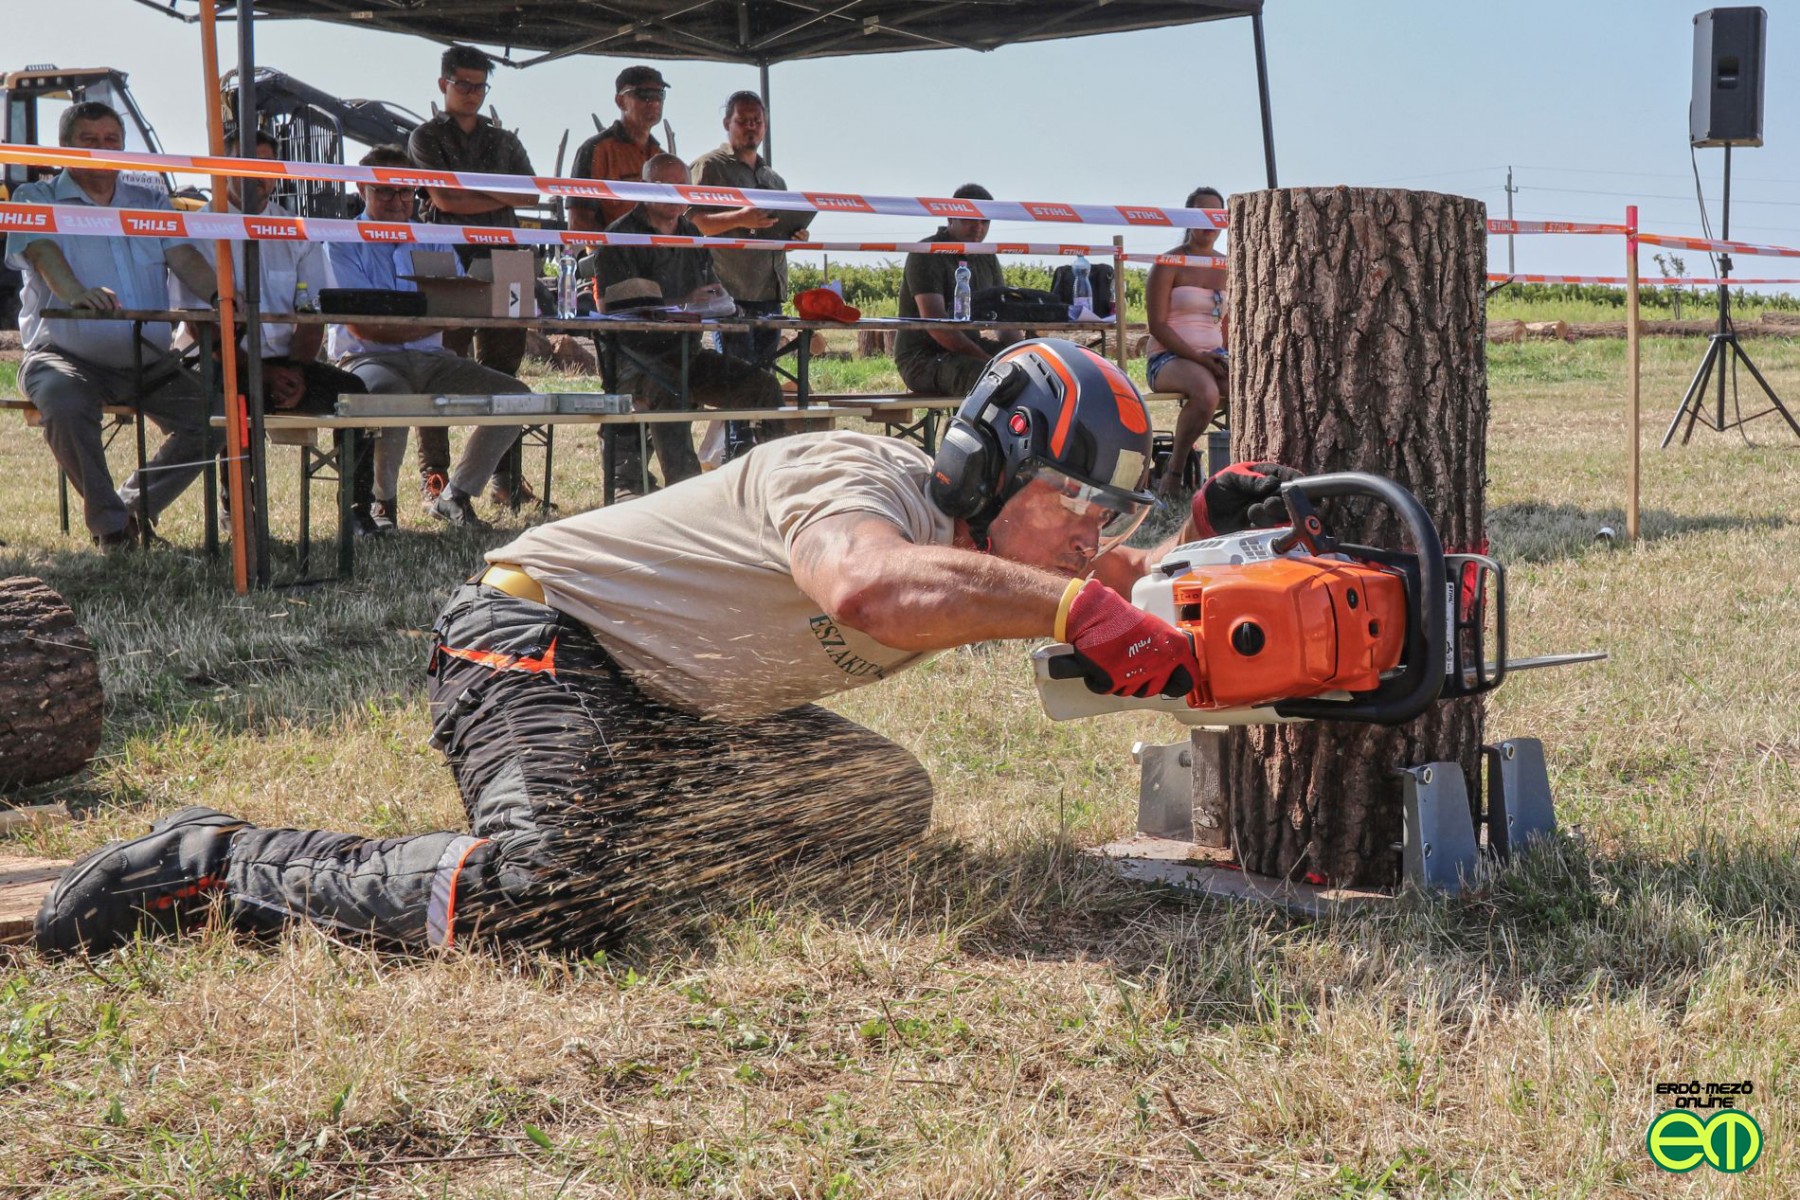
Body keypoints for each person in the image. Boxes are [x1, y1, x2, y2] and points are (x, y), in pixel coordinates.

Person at [34, 338, 1299, 959]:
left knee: (879, 799)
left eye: (1109, 513)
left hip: (675, 702)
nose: (1092, 538)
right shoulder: (854, 476)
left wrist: (1196, 544)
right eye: (1079, 503)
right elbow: (867, 590)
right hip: (531, 639)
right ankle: (209, 864)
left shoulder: (1019, 547)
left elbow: (1114, 590)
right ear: (994, 461)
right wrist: (1079, 608)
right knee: (550, 900)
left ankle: (605, 832)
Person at [4, 101, 221, 547]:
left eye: (112, 141)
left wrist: (224, 297)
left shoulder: (152, 202)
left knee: (217, 417)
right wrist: (74, 292)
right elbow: (43, 252)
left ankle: (131, 508)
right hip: (64, 357)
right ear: (66, 149)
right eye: (90, 141)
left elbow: (184, 258)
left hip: (151, 363)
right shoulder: (35, 199)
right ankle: (113, 529)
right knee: (63, 402)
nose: (103, 150)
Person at [174, 128, 381, 535]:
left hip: (290, 362)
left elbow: (312, 312)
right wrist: (262, 374)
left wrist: (298, 372)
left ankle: (355, 509)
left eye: (267, 167)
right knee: (233, 400)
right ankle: (239, 510)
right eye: (247, 166)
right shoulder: (200, 228)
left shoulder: (295, 229)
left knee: (354, 394)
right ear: (224, 167)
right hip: (224, 361)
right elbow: (201, 326)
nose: (258, 177)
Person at [325, 145, 526, 530]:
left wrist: (440, 318)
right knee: (388, 399)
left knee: (518, 398)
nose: (398, 200)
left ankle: (455, 495)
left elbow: (458, 307)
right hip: (367, 360)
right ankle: (381, 503)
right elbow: (364, 327)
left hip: (433, 360)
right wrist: (436, 322)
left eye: (406, 191)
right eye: (385, 190)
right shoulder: (341, 242)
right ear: (360, 187)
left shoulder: (432, 238)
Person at [594, 153, 781, 493]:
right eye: (665, 186)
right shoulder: (620, 237)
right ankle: (685, 493)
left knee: (764, 388)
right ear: (645, 189)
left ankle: (769, 483)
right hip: (636, 360)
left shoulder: (692, 233)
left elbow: (708, 291)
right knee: (672, 389)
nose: (674, 194)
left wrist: (722, 303)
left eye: (681, 186)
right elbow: (616, 310)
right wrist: (682, 303)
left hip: (688, 354)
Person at [407, 44, 541, 512]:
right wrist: (494, 194)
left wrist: (471, 193)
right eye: (463, 84)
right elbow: (444, 202)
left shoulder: (504, 139)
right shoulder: (424, 136)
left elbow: (528, 196)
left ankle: (503, 478)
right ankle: (434, 478)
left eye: (480, 85)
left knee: (507, 368)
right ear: (444, 84)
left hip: (506, 257)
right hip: (449, 257)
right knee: (440, 365)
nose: (472, 93)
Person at [687, 90, 813, 365]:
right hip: (730, 292)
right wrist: (738, 219)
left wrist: (795, 235)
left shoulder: (774, 179)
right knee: (737, 373)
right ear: (727, 124)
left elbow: (774, 229)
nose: (751, 127)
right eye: (743, 121)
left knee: (764, 372)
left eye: (757, 121)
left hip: (769, 292)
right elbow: (691, 225)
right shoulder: (709, 167)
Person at [894, 183, 1020, 398]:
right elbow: (935, 324)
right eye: (970, 219)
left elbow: (1003, 317)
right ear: (950, 217)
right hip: (922, 358)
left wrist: (1022, 352)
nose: (978, 227)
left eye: (984, 221)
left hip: (967, 351)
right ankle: (972, 430)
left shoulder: (986, 256)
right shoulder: (926, 252)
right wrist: (988, 361)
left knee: (1029, 371)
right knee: (988, 379)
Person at [1144, 186, 1229, 496]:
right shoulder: (1169, 263)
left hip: (1214, 355)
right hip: (1169, 357)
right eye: (1200, 215)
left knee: (1247, 391)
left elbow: (1228, 326)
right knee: (1205, 392)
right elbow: (1158, 325)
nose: (1209, 223)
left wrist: (1227, 359)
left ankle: (1236, 473)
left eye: (1216, 215)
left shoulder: (1227, 265)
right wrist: (1198, 357)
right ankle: (1174, 473)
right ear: (1187, 219)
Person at [566, 65, 668, 233]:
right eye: (644, 95)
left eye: (659, 95)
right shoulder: (596, 150)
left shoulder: (661, 157)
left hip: (655, 255)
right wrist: (620, 250)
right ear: (620, 101)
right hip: (607, 255)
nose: (655, 102)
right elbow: (579, 222)